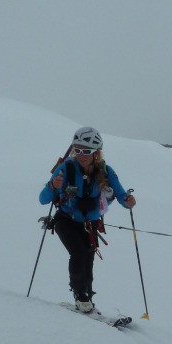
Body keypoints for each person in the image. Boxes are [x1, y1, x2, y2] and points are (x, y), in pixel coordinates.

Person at [39, 126, 136, 313]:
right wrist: (53, 185)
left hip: (90, 225)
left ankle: (87, 299)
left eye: (87, 151)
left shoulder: (106, 171)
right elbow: (43, 199)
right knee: (79, 253)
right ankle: (81, 297)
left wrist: (129, 201)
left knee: (88, 259)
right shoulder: (65, 168)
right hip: (65, 220)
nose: (82, 154)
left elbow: (123, 197)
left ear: (96, 152)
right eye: (78, 149)